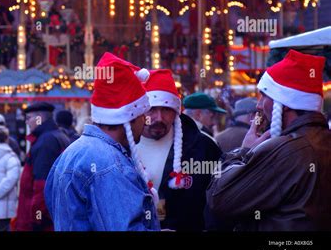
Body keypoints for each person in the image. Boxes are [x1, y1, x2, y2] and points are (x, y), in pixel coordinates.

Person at [207, 50, 331, 230]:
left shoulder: (288, 151)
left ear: (286, 104)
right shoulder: (321, 140)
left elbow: (219, 199)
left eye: (265, 95)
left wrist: (242, 153)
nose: (258, 105)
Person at [45, 52, 160, 231]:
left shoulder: (72, 151)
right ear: (129, 118)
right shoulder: (110, 165)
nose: (146, 121)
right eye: (143, 115)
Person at [136, 69, 222, 230]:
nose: (159, 118)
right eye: (152, 109)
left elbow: (219, 203)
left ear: (176, 112)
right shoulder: (121, 147)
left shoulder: (204, 148)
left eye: (166, 110)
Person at [15, 102, 70, 231]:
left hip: (42, 222)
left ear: (39, 118)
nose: (27, 122)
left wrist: (37, 220)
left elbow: (42, 186)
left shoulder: (46, 141)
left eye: (28, 118)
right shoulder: (57, 136)